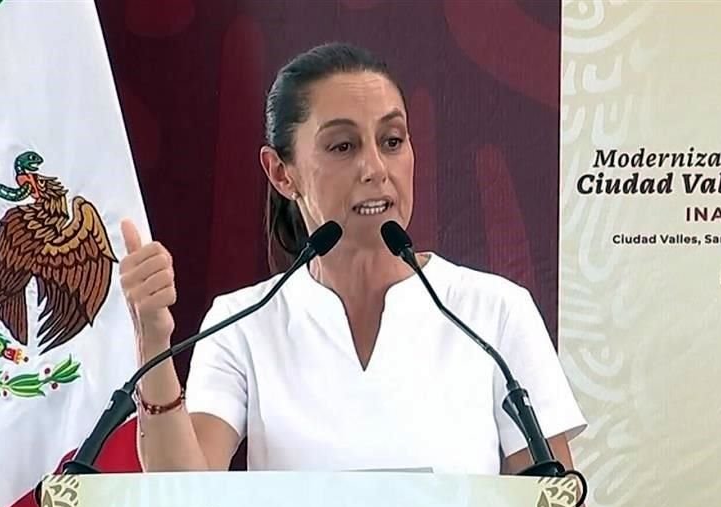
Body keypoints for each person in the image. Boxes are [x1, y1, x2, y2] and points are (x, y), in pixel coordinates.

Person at [118, 42, 585, 477]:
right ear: (281, 173)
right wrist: (153, 340)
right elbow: (183, 504)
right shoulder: (241, 321)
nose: (376, 170)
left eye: (392, 140)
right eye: (343, 146)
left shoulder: (495, 311)